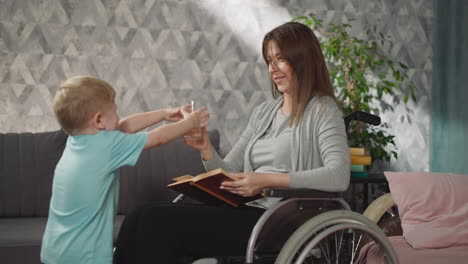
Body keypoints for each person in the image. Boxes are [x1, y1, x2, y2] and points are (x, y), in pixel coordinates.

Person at [113, 21, 350, 263]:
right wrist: (206, 148)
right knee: (139, 216)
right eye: (269, 61)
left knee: (155, 223)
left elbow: (339, 175)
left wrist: (265, 180)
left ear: (302, 60)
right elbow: (231, 170)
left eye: (280, 59)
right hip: (245, 211)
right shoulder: (263, 113)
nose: (272, 69)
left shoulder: (323, 110)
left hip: (278, 221)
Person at [40, 75, 209, 264]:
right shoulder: (106, 146)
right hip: (85, 256)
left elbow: (123, 126)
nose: (118, 116)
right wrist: (190, 122)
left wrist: (163, 113)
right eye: (114, 110)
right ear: (98, 120)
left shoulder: (78, 140)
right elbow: (157, 138)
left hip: (54, 251)